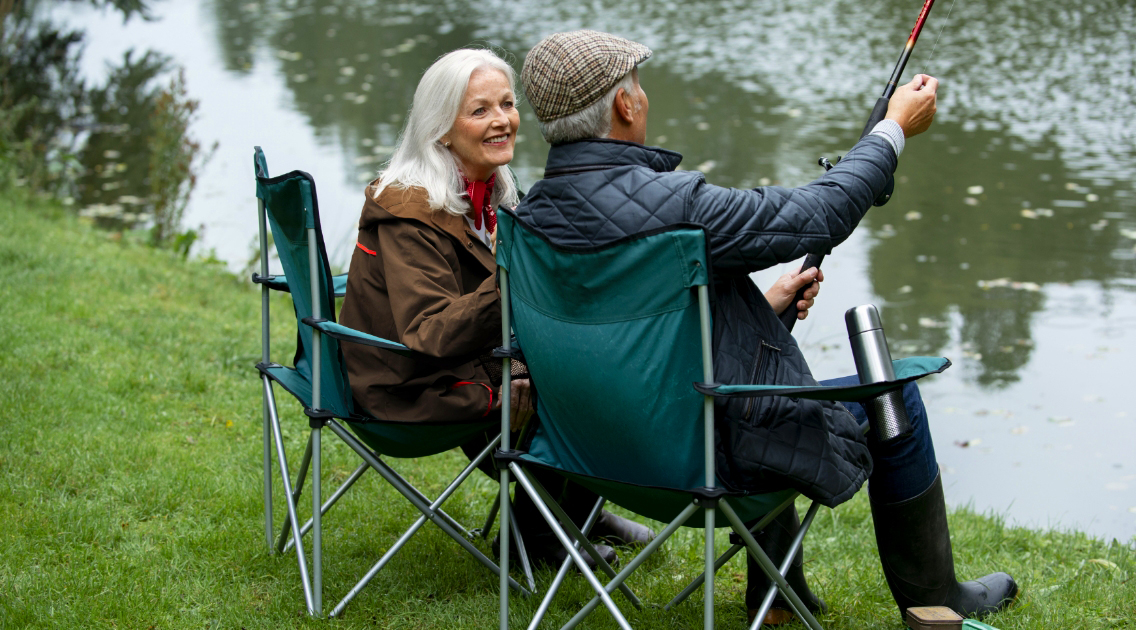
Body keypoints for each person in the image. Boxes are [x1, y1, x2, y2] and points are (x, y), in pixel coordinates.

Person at [514, 30, 1019, 625]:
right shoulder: (680, 208)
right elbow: (818, 213)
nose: (644, 98)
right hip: (704, 467)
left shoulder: (530, 218)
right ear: (625, 105)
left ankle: (778, 594)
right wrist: (891, 131)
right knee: (893, 398)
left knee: (762, 392)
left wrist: (763, 307)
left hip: (590, 459)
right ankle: (938, 601)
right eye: (639, 87)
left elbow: (637, 346)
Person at [337, 47, 652, 568]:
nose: (502, 120)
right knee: (582, 391)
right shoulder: (411, 211)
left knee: (596, 362)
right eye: (479, 110)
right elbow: (432, 333)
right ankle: (537, 537)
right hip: (407, 386)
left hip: (457, 363)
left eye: (507, 104)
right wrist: (518, 271)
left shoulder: (488, 191)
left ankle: (571, 513)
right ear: (441, 129)